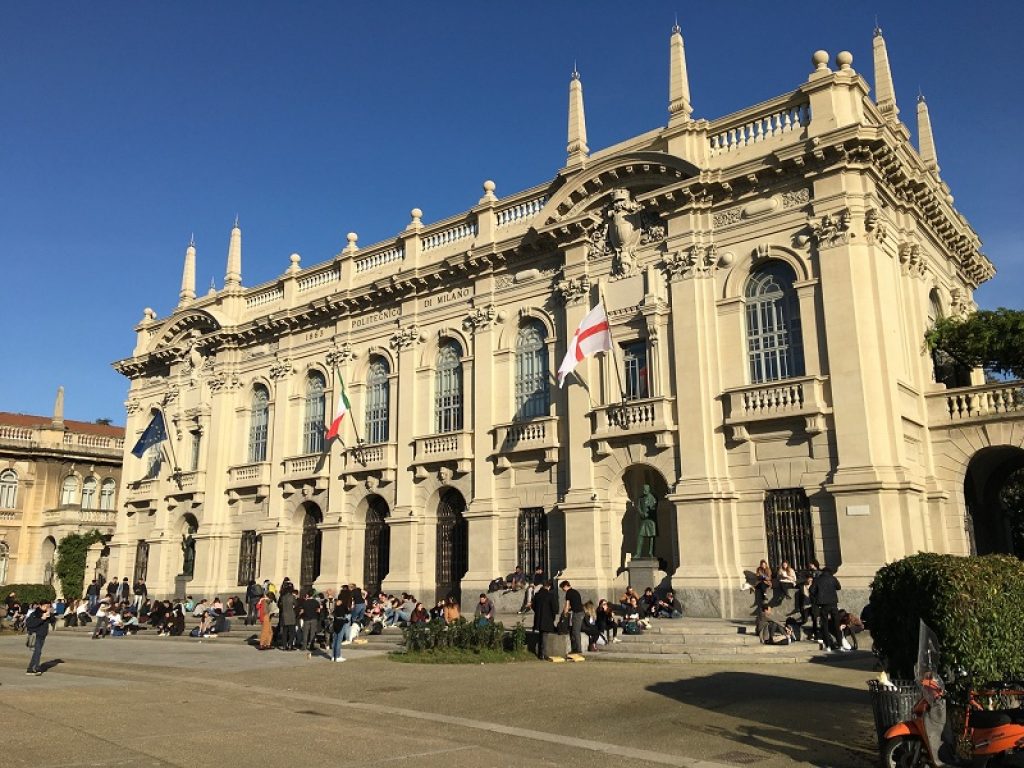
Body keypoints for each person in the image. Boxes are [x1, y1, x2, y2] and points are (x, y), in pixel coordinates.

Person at [810, 566, 842, 652]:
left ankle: (828, 646)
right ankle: (840, 645)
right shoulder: (833, 578)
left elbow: (812, 590)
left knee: (825, 625)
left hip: (823, 605)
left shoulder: (817, 579)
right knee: (836, 624)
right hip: (833, 603)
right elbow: (839, 587)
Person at [531, 580, 560, 661]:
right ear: (549, 587)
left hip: (539, 618)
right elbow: (555, 608)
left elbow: (533, 606)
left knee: (541, 635)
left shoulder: (537, 595)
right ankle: (543, 654)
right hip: (547, 618)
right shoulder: (550, 596)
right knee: (545, 636)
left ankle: (541, 653)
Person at [25, 599, 54, 675]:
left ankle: (30, 668)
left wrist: (50, 614)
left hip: (42, 635)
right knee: (37, 652)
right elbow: (29, 624)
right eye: (45, 606)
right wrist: (41, 619)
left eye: (48, 606)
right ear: (40, 606)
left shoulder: (47, 614)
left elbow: (53, 620)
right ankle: (35, 668)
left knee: (37, 652)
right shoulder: (34, 614)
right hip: (36, 635)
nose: (47, 608)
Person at [560, 580, 584, 657]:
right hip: (580, 612)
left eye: (562, 588)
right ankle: (575, 648)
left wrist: (564, 614)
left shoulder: (568, 593)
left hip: (577, 613)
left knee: (575, 631)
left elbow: (567, 605)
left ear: (565, 586)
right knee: (574, 630)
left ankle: (578, 649)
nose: (563, 590)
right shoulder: (575, 591)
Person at [299, 590, 321, 658]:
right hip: (314, 618)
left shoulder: (305, 602)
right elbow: (318, 610)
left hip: (306, 619)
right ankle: (311, 645)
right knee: (312, 633)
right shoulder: (316, 602)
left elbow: (302, 611)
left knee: (305, 632)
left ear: (307, 595)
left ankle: (304, 646)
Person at [329, 594, 349, 663]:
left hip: (335, 624)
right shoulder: (342, 607)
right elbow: (346, 613)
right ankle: (337, 656)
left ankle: (333, 656)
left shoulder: (335, 607)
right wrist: (346, 620)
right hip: (340, 624)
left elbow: (333, 615)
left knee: (335, 641)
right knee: (338, 641)